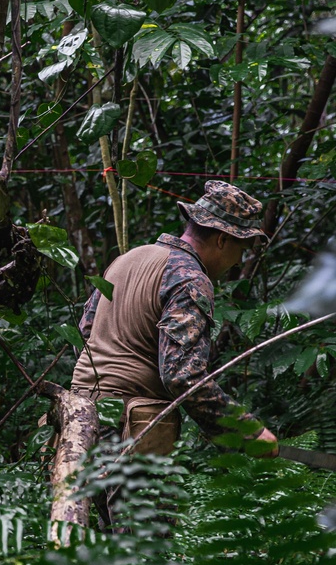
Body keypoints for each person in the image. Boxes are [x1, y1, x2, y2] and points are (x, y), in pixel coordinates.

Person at [70, 180, 278, 528]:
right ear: (222, 239)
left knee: (99, 551)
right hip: (130, 427)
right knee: (142, 555)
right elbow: (182, 375)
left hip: (80, 417)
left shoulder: (127, 259)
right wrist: (246, 430)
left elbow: (86, 330)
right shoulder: (189, 278)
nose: (239, 260)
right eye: (242, 248)